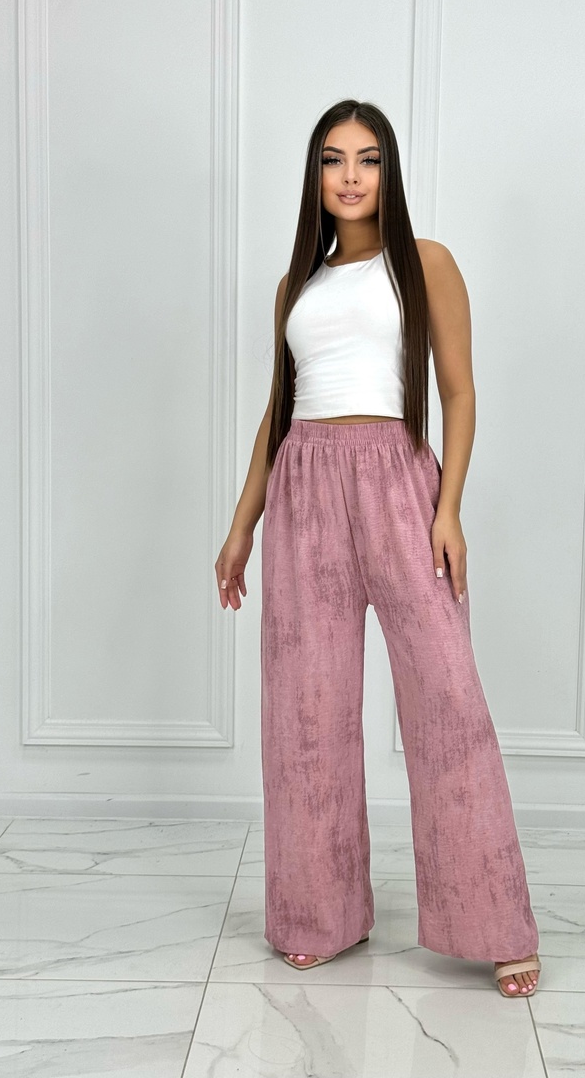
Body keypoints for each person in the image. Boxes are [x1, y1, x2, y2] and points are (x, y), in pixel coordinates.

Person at [214, 99, 541, 998]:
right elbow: (278, 413)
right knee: (307, 712)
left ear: (389, 172)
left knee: (448, 699)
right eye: (333, 159)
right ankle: (319, 914)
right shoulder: (296, 285)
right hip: (303, 491)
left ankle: (495, 924)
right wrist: (243, 524)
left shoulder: (426, 263)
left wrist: (449, 507)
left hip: (400, 482)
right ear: (315, 176)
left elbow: (459, 392)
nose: (350, 175)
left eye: (368, 159)